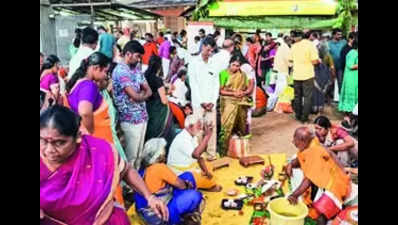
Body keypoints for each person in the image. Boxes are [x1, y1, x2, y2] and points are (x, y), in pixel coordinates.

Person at [40, 105, 168, 225]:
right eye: (43, 141)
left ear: (78, 137)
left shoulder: (96, 151)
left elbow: (126, 170)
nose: (49, 150)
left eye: (59, 143)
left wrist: (150, 197)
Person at [286, 127, 351, 225]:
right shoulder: (310, 144)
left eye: (295, 140)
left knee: (321, 215)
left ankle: (332, 213)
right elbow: (300, 159)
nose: (292, 142)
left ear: (303, 141)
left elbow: (308, 179)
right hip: (327, 180)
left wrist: (295, 195)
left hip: (336, 185)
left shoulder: (314, 152)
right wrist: (291, 164)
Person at [134, 138, 204, 225]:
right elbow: (181, 185)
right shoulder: (159, 168)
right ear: (159, 155)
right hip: (162, 213)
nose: (165, 154)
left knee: (188, 176)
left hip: (146, 212)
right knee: (195, 195)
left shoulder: (142, 171)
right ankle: (181, 218)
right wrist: (187, 185)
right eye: (163, 152)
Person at [112, 40, 152, 170]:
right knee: (131, 156)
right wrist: (140, 96)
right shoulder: (121, 71)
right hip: (129, 119)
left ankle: (136, 185)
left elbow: (149, 91)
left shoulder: (136, 70)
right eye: (137, 56)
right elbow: (134, 95)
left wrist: (139, 96)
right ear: (128, 54)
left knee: (139, 154)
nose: (139, 60)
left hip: (141, 116)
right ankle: (127, 186)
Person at [168, 114, 222, 192]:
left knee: (209, 166)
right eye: (198, 126)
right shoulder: (182, 139)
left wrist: (206, 172)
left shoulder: (193, 136)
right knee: (196, 177)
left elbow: (199, 156)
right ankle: (201, 185)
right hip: (179, 173)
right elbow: (196, 154)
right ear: (190, 127)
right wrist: (207, 136)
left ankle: (202, 183)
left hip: (191, 167)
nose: (200, 129)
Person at [188, 36, 218, 161]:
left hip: (211, 103)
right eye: (208, 50)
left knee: (211, 128)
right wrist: (202, 102)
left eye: (212, 51)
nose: (210, 53)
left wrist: (212, 101)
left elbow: (216, 84)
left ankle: (211, 154)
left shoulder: (214, 63)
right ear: (203, 46)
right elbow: (193, 85)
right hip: (198, 103)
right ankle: (198, 154)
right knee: (199, 129)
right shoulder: (193, 63)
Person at [219, 55, 252, 155]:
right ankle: (223, 150)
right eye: (233, 65)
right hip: (228, 100)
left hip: (240, 99)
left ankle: (240, 148)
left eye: (238, 66)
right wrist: (233, 93)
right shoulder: (223, 73)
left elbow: (247, 88)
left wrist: (244, 93)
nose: (235, 68)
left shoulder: (242, 74)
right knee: (227, 125)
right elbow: (220, 91)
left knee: (242, 122)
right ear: (230, 63)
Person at [144, 55, 179, 146]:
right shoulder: (157, 80)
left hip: (146, 107)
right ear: (159, 67)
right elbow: (163, 100)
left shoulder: (144, 76)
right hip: (158, 111)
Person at [288, 30, 320, 123]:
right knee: (307, 97)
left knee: (297, 96)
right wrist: (318, 61)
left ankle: (298, 115)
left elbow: (290, 61)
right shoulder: (310, 45)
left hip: (296, 75)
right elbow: (314, 61)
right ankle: (304, 118)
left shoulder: (293, 46)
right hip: (308, 75)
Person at [267, 38, 291, 111]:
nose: (275, 46)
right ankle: (274, 106)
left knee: (273, 90)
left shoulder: (279, 50)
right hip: (282, 73)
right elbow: (289, 63)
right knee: (279, 91)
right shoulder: (285, 48)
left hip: (275, 72)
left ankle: (270, 105)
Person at [338, 38, 358, 125]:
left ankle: (351, 118)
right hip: (351, 79)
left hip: (354, 78)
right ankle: (348, 118)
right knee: (350, 96)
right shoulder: (353, 52)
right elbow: (350, 65)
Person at [312, 42, 334, 114]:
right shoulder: (328, 56)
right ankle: (319, 108)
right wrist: (331, 78)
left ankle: (316, 107)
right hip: (324, 76)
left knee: (317, 91)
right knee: (322, 91)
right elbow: (332, 67)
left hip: (317, 76)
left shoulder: (315, 58)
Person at [328, 29, 347, 94]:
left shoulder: (344, 42)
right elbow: (327, 55)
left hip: (340, 66)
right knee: (330, 83)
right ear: (333, 35)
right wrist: (331, 66)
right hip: (331, 66)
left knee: (340, 82)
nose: (340, 36)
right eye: (338, 34)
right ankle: (329, 99)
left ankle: (341, 99)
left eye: (341, 34)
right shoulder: (329, 43)